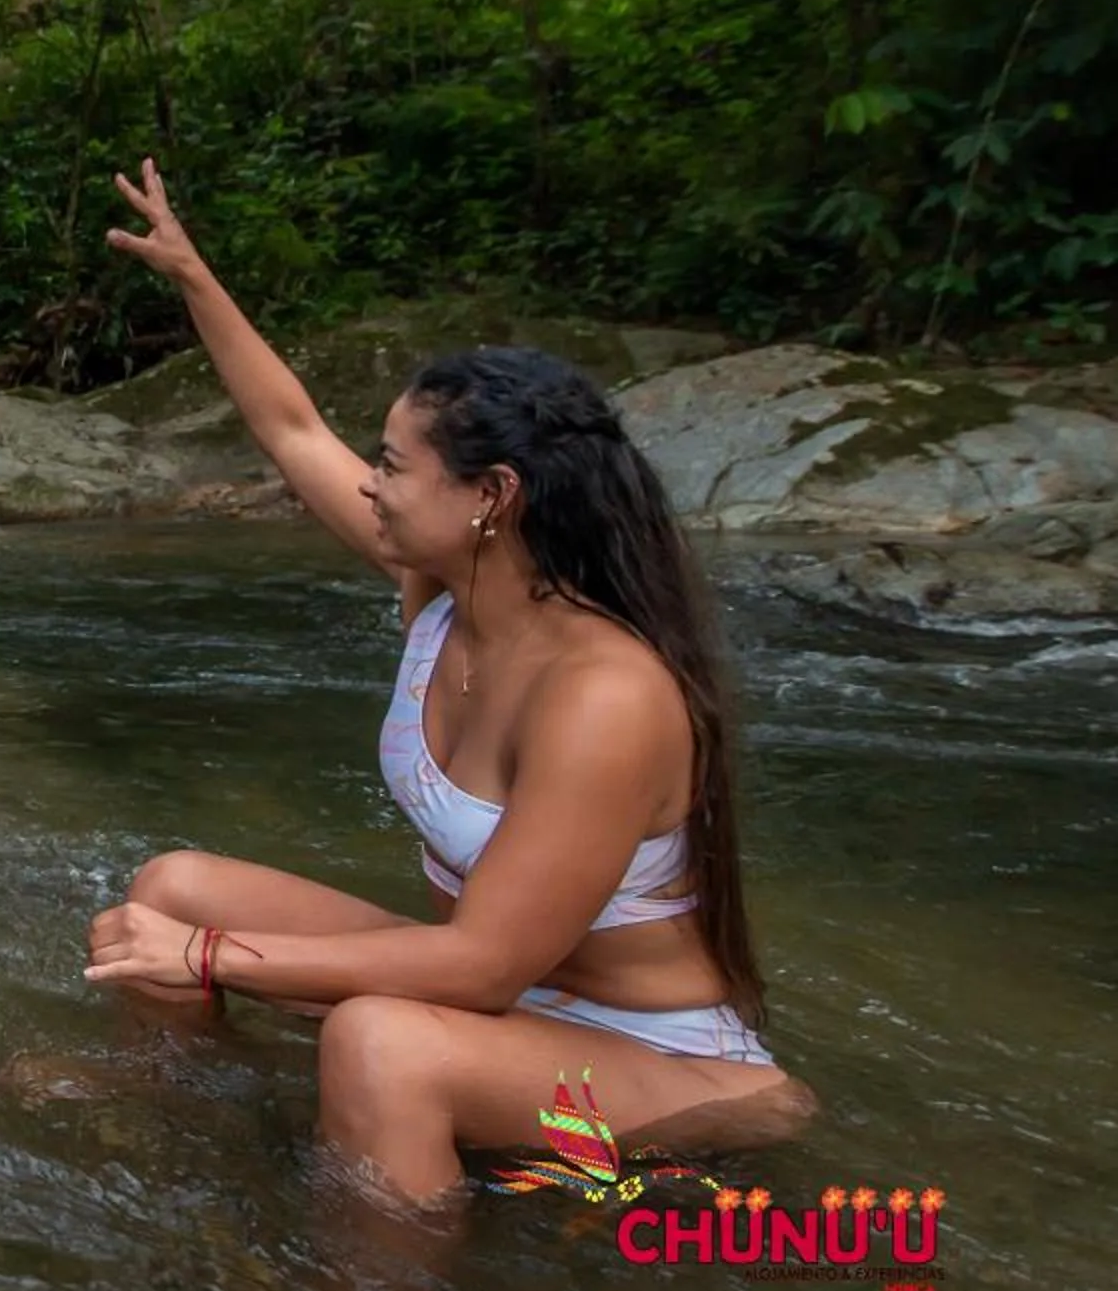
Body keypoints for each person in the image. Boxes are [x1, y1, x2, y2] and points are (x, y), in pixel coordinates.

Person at [78, 159, 810, 1209]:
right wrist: (193, 274)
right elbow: (292, 432)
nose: (369, 481)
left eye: (394, 464)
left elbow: (480, 968)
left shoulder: (604, 691)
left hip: (659, 1062)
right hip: (517, 1013)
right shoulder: (439, 586)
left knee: (381, 1044)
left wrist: (205, 955)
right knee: (172, 880)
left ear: (492, 496)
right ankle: (180, 1122)